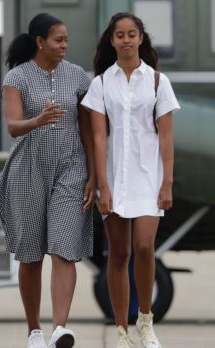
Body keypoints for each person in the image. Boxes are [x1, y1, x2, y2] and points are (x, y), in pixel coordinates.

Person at [0, 13, 95, 348]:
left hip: (71, 167)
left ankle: (59, 329)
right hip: (29, 168)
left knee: (64, 248)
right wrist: (37, 119)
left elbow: (87, 129)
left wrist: (94, 175)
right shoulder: (17, 77)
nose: (65, 45)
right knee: (31, 254)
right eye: (58, 40)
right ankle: (34, 330)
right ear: (40, 42)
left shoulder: (78, 77)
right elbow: (13, 126)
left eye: (66, 40)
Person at [81, 12, 179, 348]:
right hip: (114, 179)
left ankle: (146, 321)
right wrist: (101, 187)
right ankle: (122, 331)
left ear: (140, 38)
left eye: (132, 34)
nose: (126, 40)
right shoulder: (100, 84)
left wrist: (167, 183)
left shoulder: (157, 81)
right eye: (119, 35)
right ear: (112, 40)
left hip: (149, 178)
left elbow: (166, 137)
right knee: (118, 254)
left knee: (144, 247)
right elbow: (97, 138)